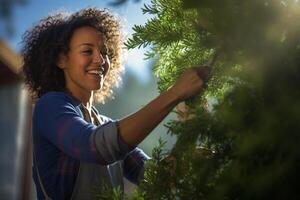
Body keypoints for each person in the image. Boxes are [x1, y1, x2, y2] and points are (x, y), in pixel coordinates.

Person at [21, 7, 208, 200]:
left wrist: (188, 136)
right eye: (87, 51)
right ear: (61, 59)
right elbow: (95, 147)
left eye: (105, 52)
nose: (100, 59)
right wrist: (175, 93)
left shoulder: (104, 125)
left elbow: (156, 180)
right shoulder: (50, 106)